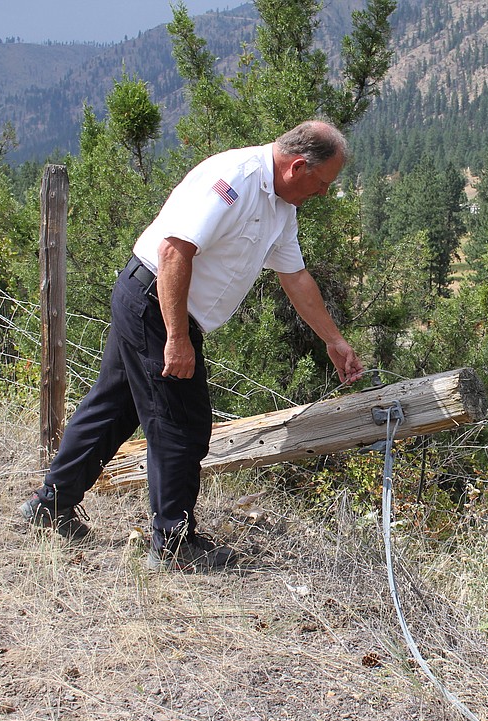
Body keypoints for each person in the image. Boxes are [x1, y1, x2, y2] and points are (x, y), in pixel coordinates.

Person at [20, 120, 365, 571]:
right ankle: (173, 546)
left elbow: (295, 277)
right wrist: (178, 337)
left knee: (112, 409)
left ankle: (50, 505)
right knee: (181, 425)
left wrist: (334, 342)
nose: (322, 194)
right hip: (156, 303)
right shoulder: (234, 180)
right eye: (321, 183)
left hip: (155, 304)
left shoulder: (282, 207)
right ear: (298, 166)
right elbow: (173, 252)